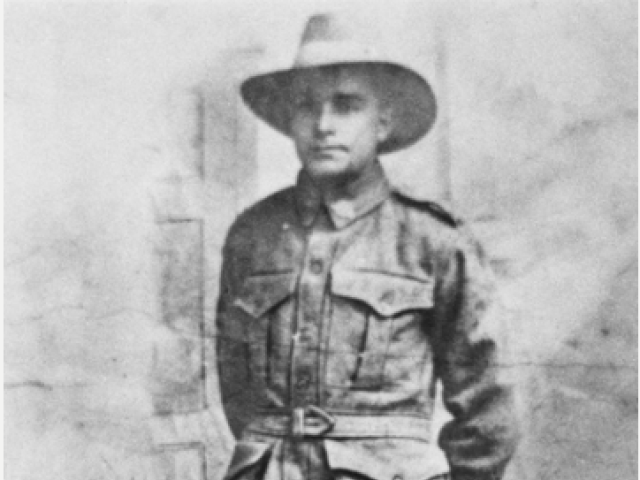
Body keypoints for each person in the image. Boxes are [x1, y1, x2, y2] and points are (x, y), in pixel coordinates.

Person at [216, 13, 519, 480]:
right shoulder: (253, 236)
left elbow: (488, 404)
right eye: (306, 106)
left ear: (383, 123)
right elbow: (237, 389)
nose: (322, 124)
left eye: (346, 105)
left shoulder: (432, 238)